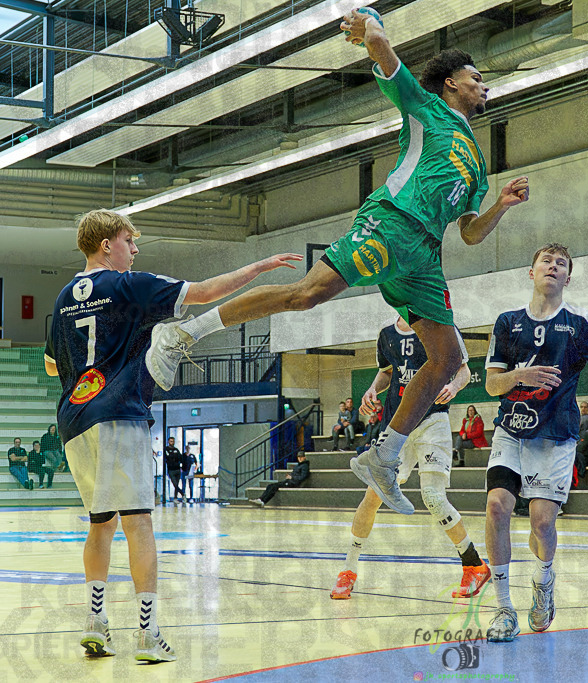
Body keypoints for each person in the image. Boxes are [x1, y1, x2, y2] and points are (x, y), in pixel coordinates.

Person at [145, 10, 530, 518]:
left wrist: (500, 204)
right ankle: (182, 334)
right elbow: (383, 51)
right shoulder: (426, 109)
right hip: (393, 222)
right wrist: (370, 21)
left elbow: (470, 232)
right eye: (476, 77)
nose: (484, 85)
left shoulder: (476, 163)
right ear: (451, 83)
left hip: (424, 255)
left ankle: (383, 455)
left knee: (447, 359)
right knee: (306, 295)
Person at [45, 208, 300, 663]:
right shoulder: (127, 284)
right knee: (138, 523)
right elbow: (205, 291)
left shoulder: (65, 297)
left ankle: (96, 624)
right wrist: (257, 266)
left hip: (74, 420)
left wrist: (94, 369)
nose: (135, 249)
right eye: (129, 240)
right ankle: (148, 633)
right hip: (119, 412)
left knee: (99, 525)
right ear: (107, 244)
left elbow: (51, 363)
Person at [483, 243, 588, 642]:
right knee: (496, 506)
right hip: (512, 431)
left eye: (561, 264)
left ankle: (543, 581)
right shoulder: (507, 322)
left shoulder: (578, 322)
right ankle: (503, 608)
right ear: (531, 271)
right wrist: (520, 377)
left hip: (556, 435)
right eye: (546, 261)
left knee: (542, 522)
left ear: (568, 277)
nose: (553, 267)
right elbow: (491, 384)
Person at [331, 316, 489, 600]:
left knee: (433, 497)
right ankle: (348, 570)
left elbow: (463, 371)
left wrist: (454, 387)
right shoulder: (386, 334)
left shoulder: (441, 326)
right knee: (372, 496)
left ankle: (473, 564)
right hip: (397, 424)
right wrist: (371, 389)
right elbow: (387, 373)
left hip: (432, 419)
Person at [164, 437, 187, 503]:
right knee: (175, 484)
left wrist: (182, 467)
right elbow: (168, 458)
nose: (172, 443)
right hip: (171, 470)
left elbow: (180, 458)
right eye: (171, 441)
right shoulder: (166, 449)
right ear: (168, 442)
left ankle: (175, 498)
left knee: (177, 484)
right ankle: (183, 494)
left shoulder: (176, 450)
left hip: (177, 470)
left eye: (173, 441)